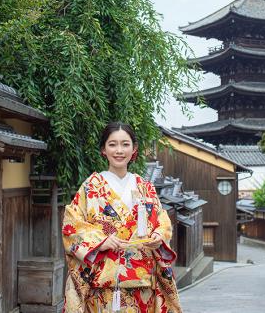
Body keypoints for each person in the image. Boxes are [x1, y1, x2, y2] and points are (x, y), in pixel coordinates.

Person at [62, 121, 182, 313]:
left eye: (125, 144)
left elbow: (162, 220)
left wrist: (159, 236)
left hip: (143, 283)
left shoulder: (145, 187)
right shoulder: (91, 187)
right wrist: (101, 241)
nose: (119, 150)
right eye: (112, 144)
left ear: (134, 149)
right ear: (103, 149)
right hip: (103, 284)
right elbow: (72, 226)